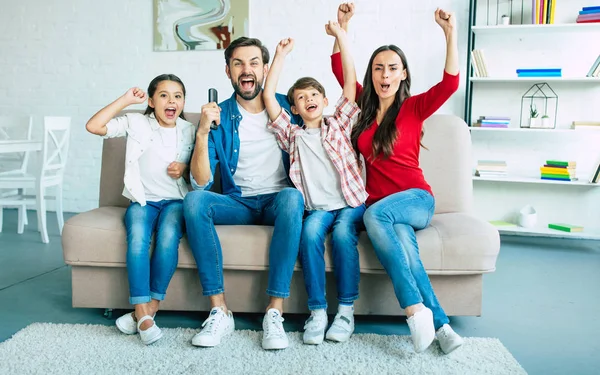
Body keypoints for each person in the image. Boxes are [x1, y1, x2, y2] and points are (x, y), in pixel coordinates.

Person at [330, 3, 465, 354]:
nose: (384, 74)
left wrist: (450, 33)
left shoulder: (414, 107)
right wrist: (343, 28)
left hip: (416, 200)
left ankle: (412, 309)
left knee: (376, 215)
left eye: (392, 68)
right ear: (372, 75)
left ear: (403, 73)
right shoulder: (361, 105)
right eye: (378, 68)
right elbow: (338, 69)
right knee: (407, 248)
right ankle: (442, 325)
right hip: (383, 208)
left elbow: (450, 83)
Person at [183, 37, 304, 350]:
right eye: (238, 63)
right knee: (195, 201)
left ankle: (274, 312)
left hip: (278, 201)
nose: (246, 69)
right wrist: (202, 131)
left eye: (253, 63)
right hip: (238, 202)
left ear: (265, 69)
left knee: (293, 198)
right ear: (228, 71)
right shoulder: (219, 115)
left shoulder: (289, 107)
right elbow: (200, 183)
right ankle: (220, 310)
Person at [263, 22, 367, 346]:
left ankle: (346, 311)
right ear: (294, 108)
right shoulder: (291, 135)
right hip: (318, 208)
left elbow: (350, 82)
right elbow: (268, 95)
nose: (309, 99)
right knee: (308, 235)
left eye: (314, 95)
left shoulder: (338, 123)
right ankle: (318, 311)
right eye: (301, 98)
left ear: (324, 100)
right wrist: (279, 55)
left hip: (350, 203)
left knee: (341, 235)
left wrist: (341, 36)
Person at [85, 74, 195, 345]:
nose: (172, 101)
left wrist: (184, 168)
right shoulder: (136, 122)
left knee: (168, 238)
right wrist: (125, 100)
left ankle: (144, 314)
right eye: (164, 95)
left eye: (178, 96)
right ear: (151, 100)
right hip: (142, 201)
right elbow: (93, 126)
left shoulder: (190, 130)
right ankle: (144, 313)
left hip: (176, 202)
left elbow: (201, 170)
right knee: (137, 241)